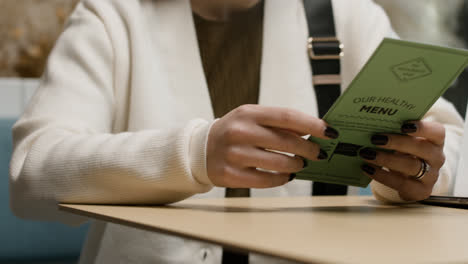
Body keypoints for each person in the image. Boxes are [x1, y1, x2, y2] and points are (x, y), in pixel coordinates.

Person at [9, 0, 464, 263]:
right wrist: (194, 154)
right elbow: (32, 174)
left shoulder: (348, 14)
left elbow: (454, 152)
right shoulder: (112, 15)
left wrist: (420, 174)